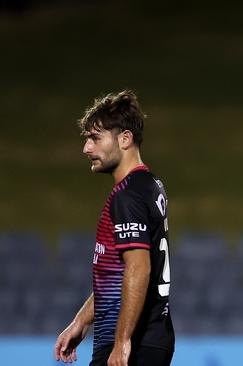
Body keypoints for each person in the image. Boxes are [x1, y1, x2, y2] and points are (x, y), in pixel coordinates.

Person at [54, 91, 175, 366]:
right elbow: (117, 275)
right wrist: (81, 322)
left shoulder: (127, 196)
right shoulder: (149, 184)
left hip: (133, 343)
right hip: (150, 338)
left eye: (95, 138)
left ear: (124, 138)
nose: (86, 148)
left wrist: (122, 342)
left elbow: (138, 268)